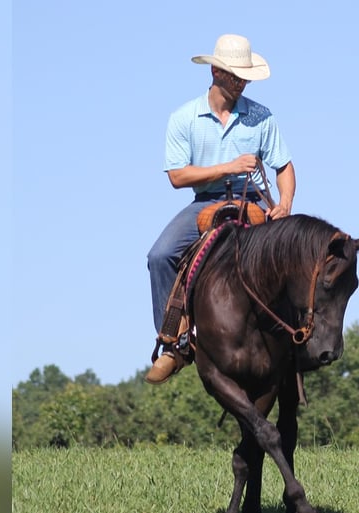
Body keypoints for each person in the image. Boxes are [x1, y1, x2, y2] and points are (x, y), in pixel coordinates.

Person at [145, 33, 296, 384]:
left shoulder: (262, 116)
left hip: (253, 200)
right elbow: (178, 177)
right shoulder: (184, 118)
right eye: (234, 75)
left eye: (245, 76)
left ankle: (297, 336)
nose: (241, 82)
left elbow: (284, 167)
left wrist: (285, 203)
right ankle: (174, 343)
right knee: (159, 256)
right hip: (206, 202)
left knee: (292, 254)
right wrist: (228, 166)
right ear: (215, 72)